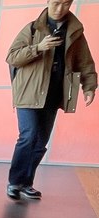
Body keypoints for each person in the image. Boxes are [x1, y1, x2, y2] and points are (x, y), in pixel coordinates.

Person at [5, 0, 96, 201]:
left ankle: (26, 183)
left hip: (53, 94)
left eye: (65, 4)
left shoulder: (74, 32)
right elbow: (12, 57)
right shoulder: (32, 28)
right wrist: (38, 47)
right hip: (29, 92)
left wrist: (89, 87)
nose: (60, 8)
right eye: (56, 3)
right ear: (48, 2)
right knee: (28, 135)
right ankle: (15, 182)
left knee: (40, 142)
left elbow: (85, 62)